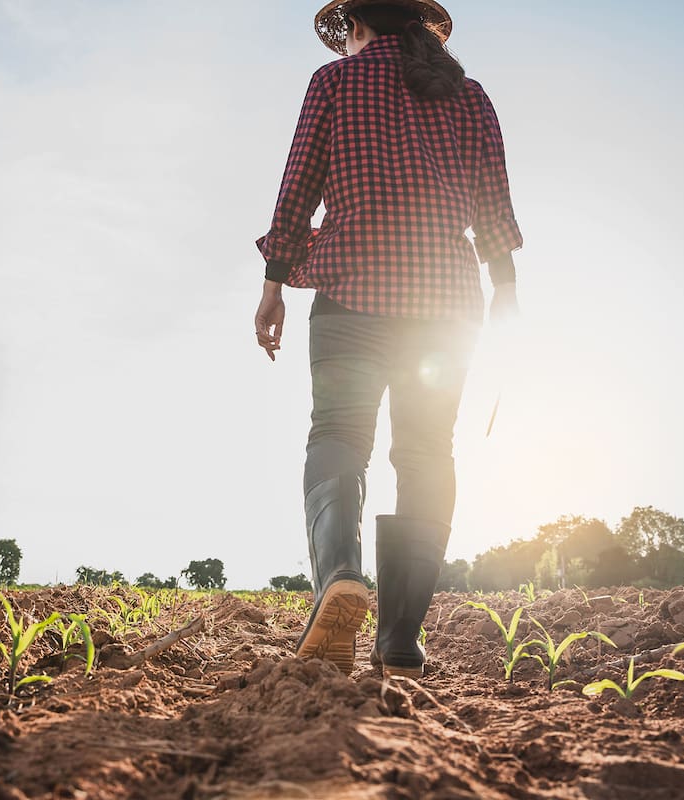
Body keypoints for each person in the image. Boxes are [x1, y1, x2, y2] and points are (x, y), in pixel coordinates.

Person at [254, 0, 523, 678]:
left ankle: (339, 578)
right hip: (447, 303)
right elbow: (495, 210)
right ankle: (400, 636)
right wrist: (507, 294)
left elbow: (298, 191)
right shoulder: (470, 95)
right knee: (428, 451)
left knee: (339, 435)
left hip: (350, 291)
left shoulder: (335, 82)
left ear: (358, 26)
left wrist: (274, 282)